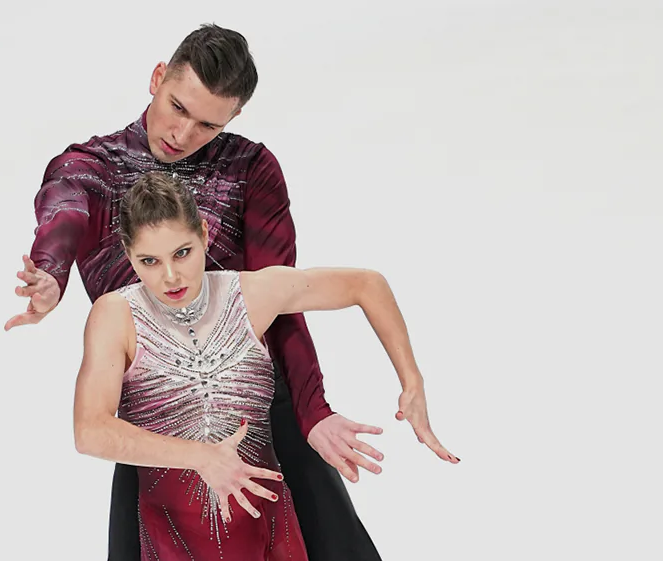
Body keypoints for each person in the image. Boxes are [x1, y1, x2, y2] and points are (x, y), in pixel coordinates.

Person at [6, 23, 458, 560]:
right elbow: (64, 213)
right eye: (177, 107)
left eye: (207, 124)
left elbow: (288, 298)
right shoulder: (91, 168)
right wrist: (50, 272)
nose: (182, 133)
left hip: (259, 399)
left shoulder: (249, 170)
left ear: (234, 117)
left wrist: (312, 411)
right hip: (156, 418)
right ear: (157, 78)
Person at [72, 171, 457, 561]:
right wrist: (200, 457)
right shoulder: (116, 316)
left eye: (182, 253)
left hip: (268, 530)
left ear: (204, 234)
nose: (170, 276)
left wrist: (412, 381)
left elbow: (366, 285)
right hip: (173, 536)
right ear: (128, 254)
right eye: (150, 261)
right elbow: (90, 431)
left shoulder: (250, 295)